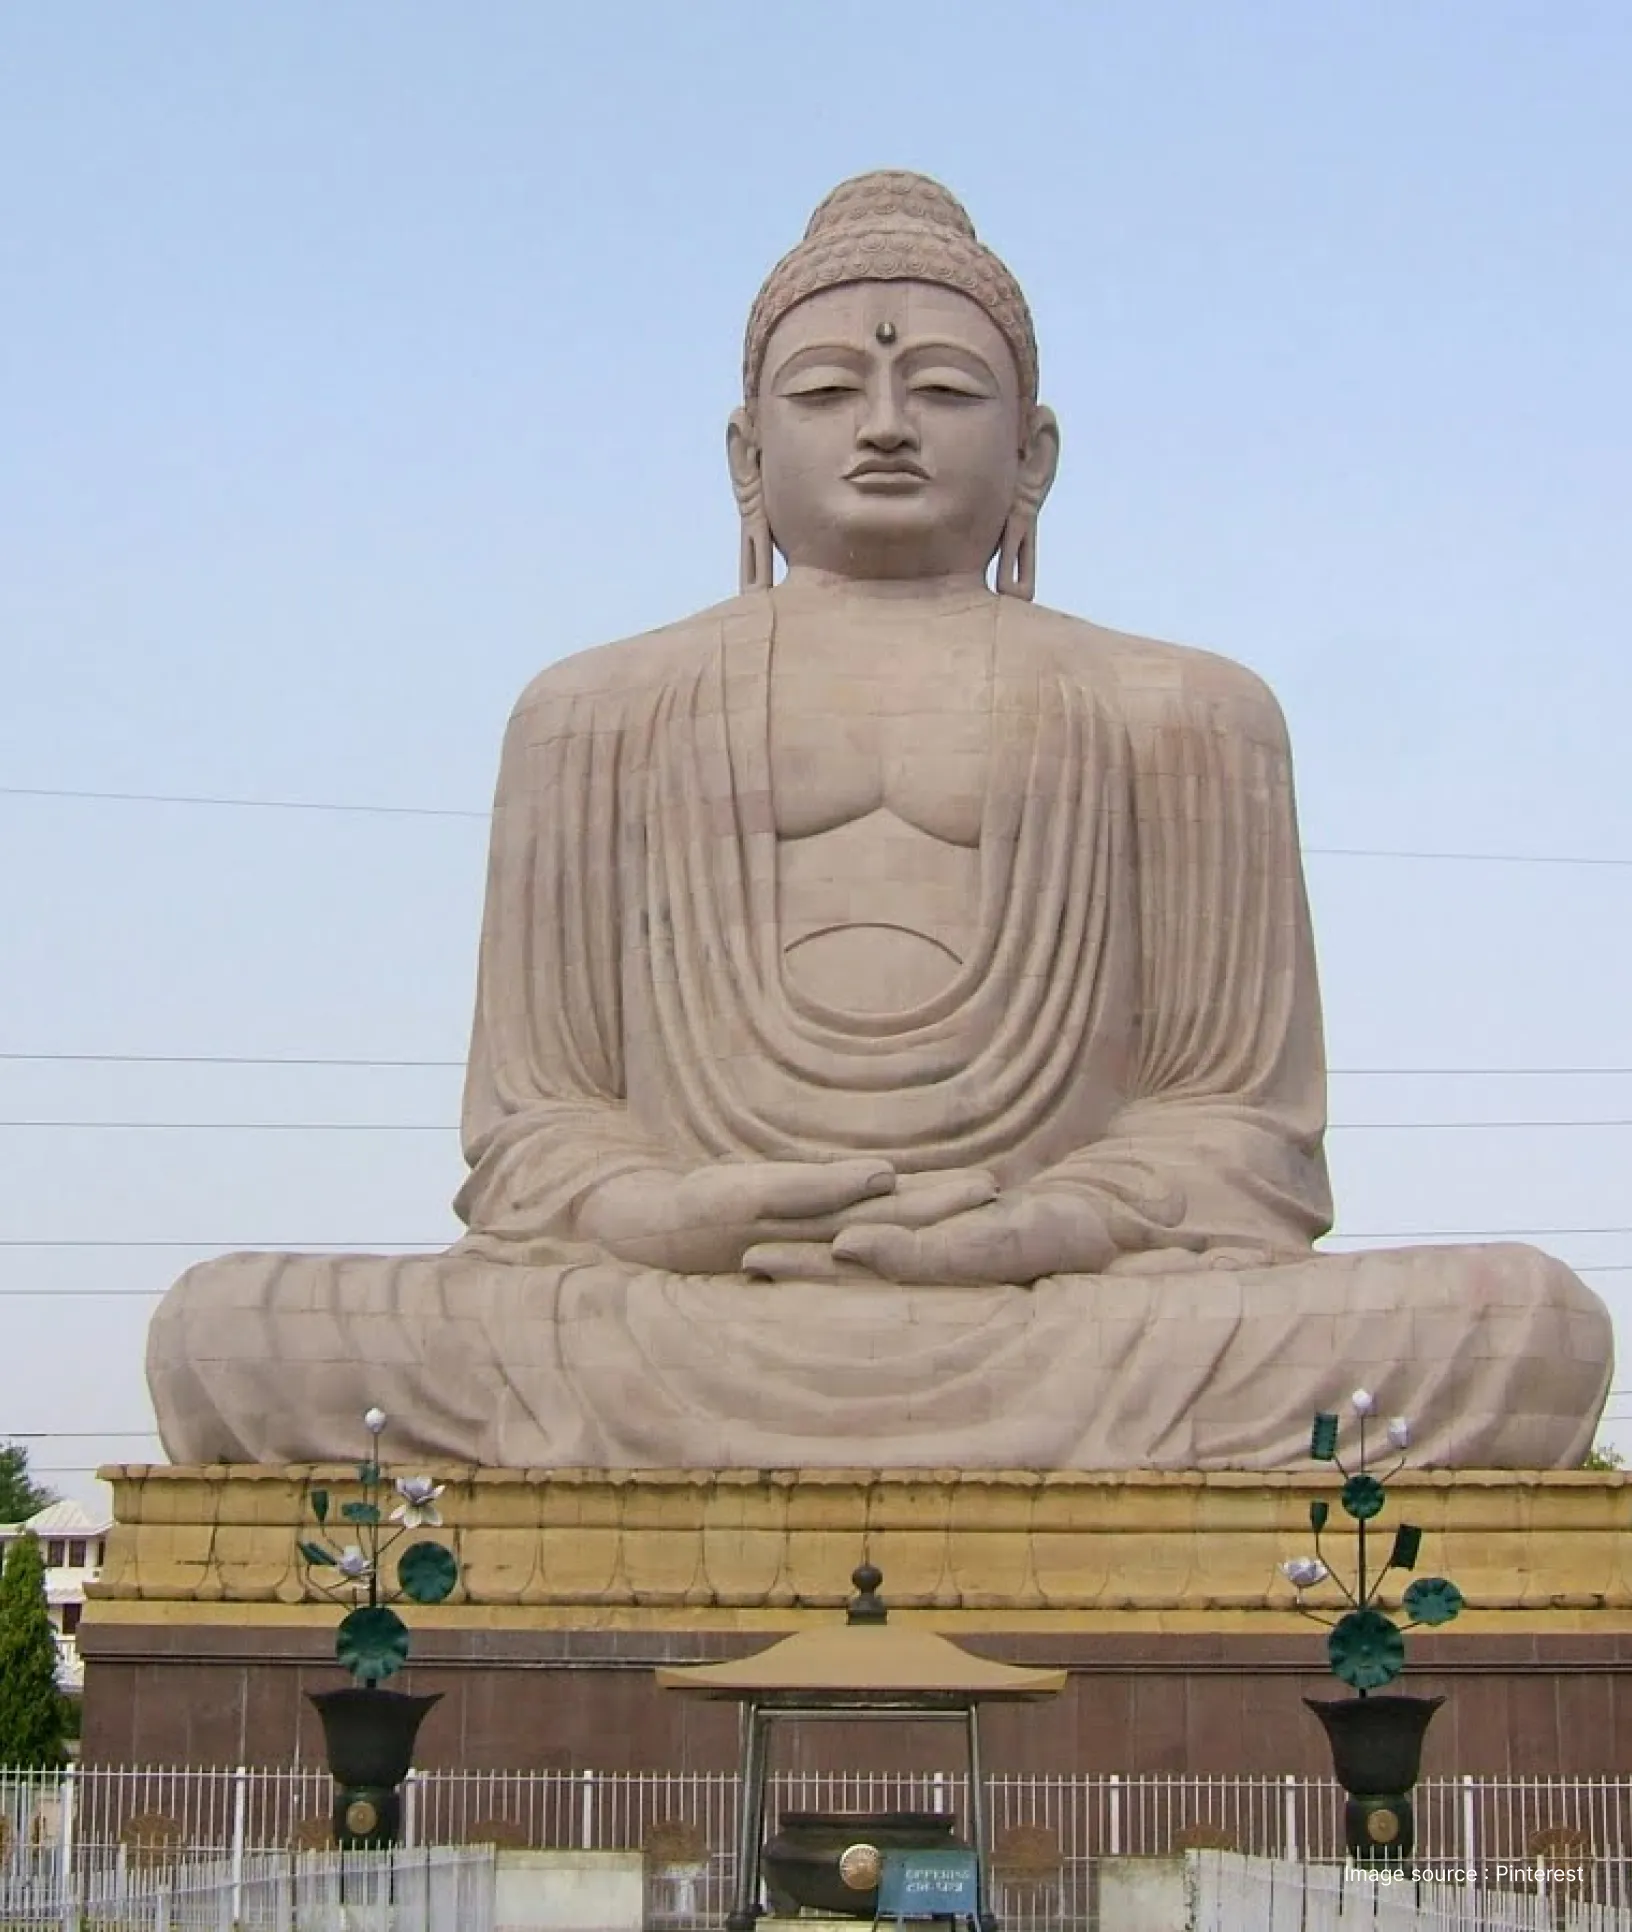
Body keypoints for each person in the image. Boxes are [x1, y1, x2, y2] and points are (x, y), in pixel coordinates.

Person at [148, 171, 1610, 1470]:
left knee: (1523, 1331)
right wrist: (657, 1213)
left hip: (1075, 1311)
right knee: (230, 1335)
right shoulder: (591, 712)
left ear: (1035, 453)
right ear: (744, 451)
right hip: (681, 1309)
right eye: (831, 391)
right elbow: (538, 1126)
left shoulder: (1186, 711)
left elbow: (1240, 1133)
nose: (891, 426)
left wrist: (1055, 1223)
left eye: (949, 392)